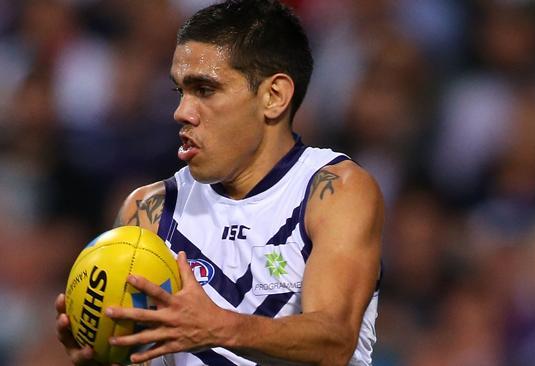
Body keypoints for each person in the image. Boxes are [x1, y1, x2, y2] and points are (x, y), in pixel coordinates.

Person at [54, 0, 384, 365]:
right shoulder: (147, 211)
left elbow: (334, 340)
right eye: (181, 91)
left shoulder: (333, 190)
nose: (181, 112)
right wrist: (102, 359)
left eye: (205, 90)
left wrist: (219, 326)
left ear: (274, 97)